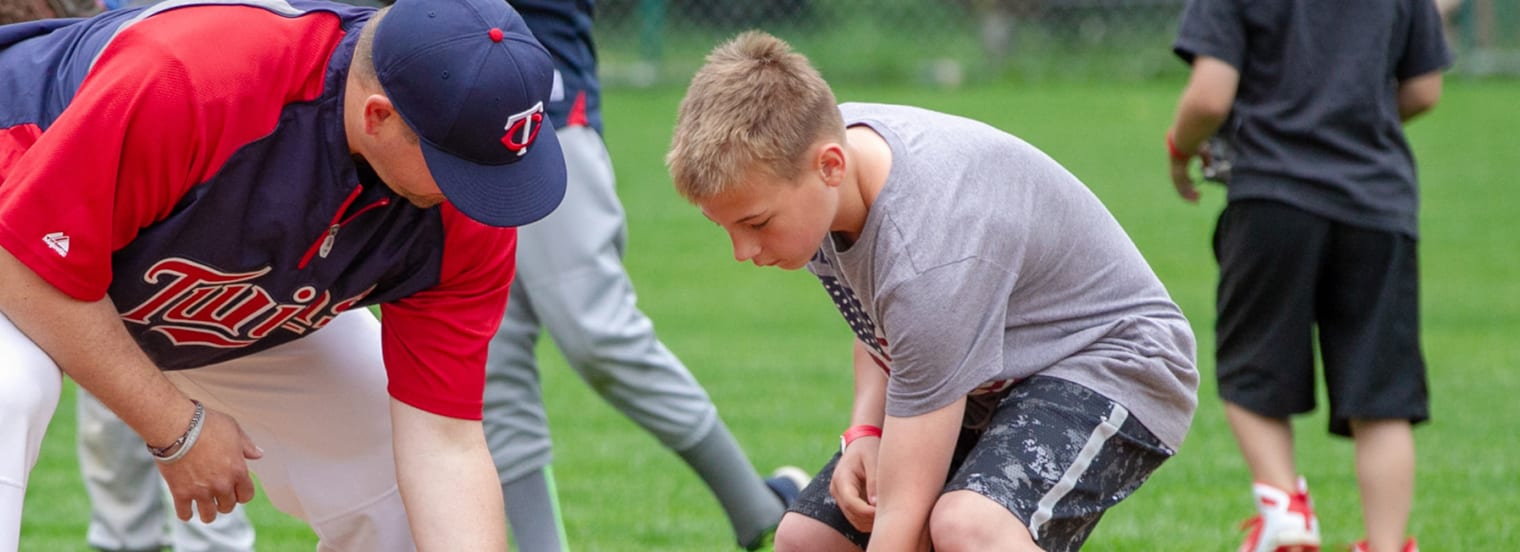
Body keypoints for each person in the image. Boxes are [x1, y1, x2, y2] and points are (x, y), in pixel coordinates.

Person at [0, 0, 566, 549]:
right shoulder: (201, 80)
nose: (482, 193)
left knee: (383, 461)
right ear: (377, 117)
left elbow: (445, 444)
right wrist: (176, 427)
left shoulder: (466, 207)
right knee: (2, 391)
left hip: (184, 261)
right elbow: (18, 270)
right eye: (457, 166)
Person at [665, 31, 1200, 552]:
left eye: (755, 223)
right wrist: (864, 432)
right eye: (726, 227)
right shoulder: (815, 168)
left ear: (829, 165)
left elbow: (904, 517)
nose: (742, 249)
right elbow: (885, 326)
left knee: (966, 526)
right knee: (808, 539)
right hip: (986, 372)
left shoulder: (929, 251)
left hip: (1113, 357)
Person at [475, 1, 802, 550]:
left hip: (547, 119)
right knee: (490, 360)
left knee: (597, 332)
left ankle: (760, 510)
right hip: (450, 134)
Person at [0, 2, 261, 551]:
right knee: (104, 378)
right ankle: (123, 540)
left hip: (200, 144)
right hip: (100, 109)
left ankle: (213, 542)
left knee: (208, 357)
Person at [1166, 1, 1447, 551]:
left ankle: (1285, 510)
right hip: (1377, 201)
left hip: (1274, 192)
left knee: (1254, 369)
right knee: (1382, 396)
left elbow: (1209, 94)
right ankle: (1387, 544)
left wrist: (1180, 149)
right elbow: (1424, 89)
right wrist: (1353, 117)